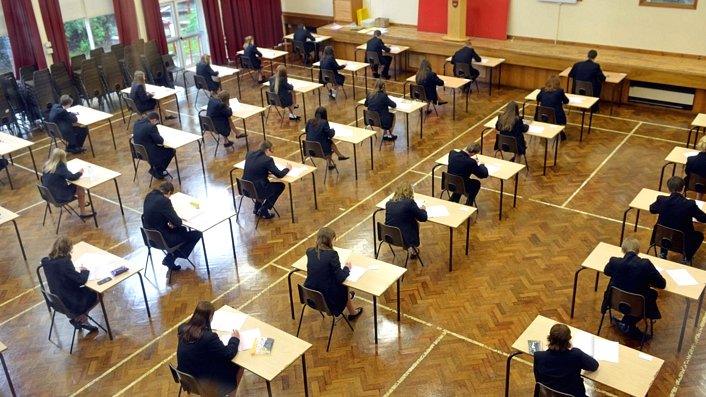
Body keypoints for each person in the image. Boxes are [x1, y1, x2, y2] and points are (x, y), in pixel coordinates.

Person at [601, 238, 666, 340]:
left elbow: (606, 272)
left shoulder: (614, 262)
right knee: (652, 294)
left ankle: (625, 322)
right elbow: (662, 284)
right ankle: (627, 323)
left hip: (615, 300)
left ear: (623, 250)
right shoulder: (645, 264)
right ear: (637, 250)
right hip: (637, 304)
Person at [177, 301, 243, 396]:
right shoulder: (209, 337)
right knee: (238, 365)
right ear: (209, 317)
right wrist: (235, 339)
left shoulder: (182, 328)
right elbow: (228, 353)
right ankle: (232, 394)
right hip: (204, 383)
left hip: (186, 379)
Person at [40, 236, 99, 332]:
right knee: (97, 294)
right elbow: (80, 280)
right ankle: (81, 318)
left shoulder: (45, 262)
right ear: (68, 249)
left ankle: (79, 318)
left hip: (57, 300)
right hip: (70, 301)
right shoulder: (65, 262)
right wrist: (85, 271)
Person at [303, 227, 364, 319]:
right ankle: (353, 313)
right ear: (331, 240)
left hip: (310, 295)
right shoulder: (332, 255)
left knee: (326, 280)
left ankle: (347, 297)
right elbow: (340, 277)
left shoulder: (309, 251)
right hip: (327, 300)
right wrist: (347, 268)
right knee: (344, 285)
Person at [142, 181, 203, 270]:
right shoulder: (164, 201)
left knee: (182, 230)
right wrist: (172, 221)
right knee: (197, 234)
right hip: (163, 239)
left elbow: (155, 214)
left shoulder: (149, 196)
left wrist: (169, 220)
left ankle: (171, 257)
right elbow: (178, 222)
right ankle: (170, 258)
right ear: (169, 192)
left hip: (150, 238)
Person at [649, 176, 706, 265]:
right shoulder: (689, 204)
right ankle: (687, 256)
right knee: (699, 235)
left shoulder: (661, 200)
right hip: (682, 242)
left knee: (667, 229)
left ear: (668, 188)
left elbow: (652, 209)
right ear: (683, 188)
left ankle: (663, 253)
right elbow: (703, 218)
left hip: (660, 238)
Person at [533, 323, 599, 397]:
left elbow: (538, 378)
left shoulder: (539, 356)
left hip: (548, 394)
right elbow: (594, 365)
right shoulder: (576, 355)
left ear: (549, 338)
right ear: (569, 339)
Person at [243, 141, 291, 219]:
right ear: (268, 150)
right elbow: (279, 175)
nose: (272, 153)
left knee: (260, 184)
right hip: (257, 191)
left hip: (245, 188)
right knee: (280, 186)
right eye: (271, 150)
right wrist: (287, 168)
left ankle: (257, 208)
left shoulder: (249, 154)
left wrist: (264, 170)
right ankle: (264, 209)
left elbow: (254, 166)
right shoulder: (267, 160)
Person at [41, 148, 94, 218]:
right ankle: (83, 212)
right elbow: (72, 177)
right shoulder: (60, 166)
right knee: (79, 186)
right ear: (61, 158)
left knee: (74, 185)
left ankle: (82, 203)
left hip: (48, 195)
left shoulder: (47, 166)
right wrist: (80, 173)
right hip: (59, 197)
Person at [385, 183, 428, 257]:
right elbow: (423, 218)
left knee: (405, 220)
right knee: (415, 223)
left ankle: (412, 249)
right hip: (404, 238)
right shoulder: (409, 202)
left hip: (388, 235)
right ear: (410, 192)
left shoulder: (388, 203)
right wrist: (423, 210)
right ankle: (412, 249)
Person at [132, 112, 175, 179]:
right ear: (154, 120)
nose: (156, 125)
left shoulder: (137, 123)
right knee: (171, 151)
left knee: (158, 149)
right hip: (149, 154)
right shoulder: (150, 127)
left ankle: (156, 168)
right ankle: (159, 171)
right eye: (156, 123)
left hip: (139, 152)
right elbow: (160, 141)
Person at [536, 75, 569, 140]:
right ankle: (559, 132)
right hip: (557, 116)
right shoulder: (560, 91)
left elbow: (538, 98)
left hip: (543, 116)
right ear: (558, 83)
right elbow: (566, 101)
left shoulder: (543, 90)